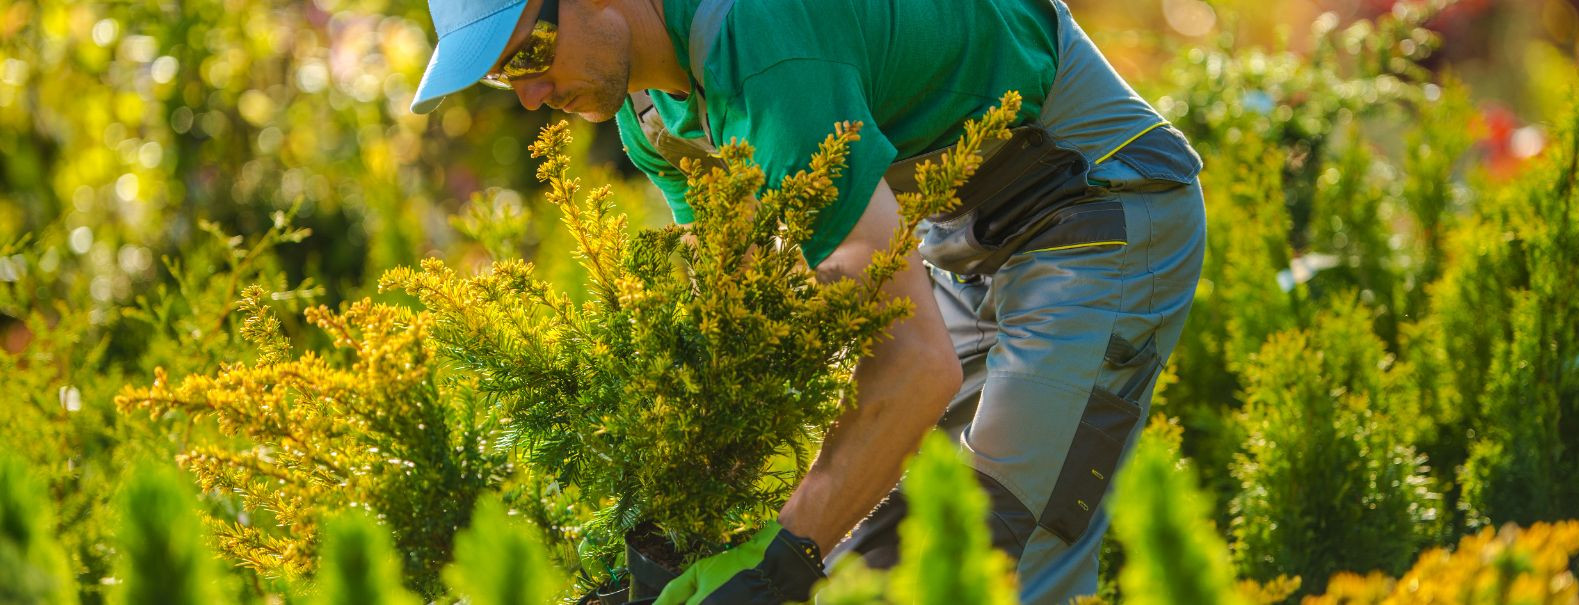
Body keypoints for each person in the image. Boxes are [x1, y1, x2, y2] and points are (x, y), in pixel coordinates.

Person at [409, 0, 1206, 602]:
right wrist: (674, 538)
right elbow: (744, 324)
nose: (529, 92)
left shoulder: (762, 41)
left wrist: (783, 559)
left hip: (1098, 201)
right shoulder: (654, 117)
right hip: (963, 240)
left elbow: (911, 366)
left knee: (991, 552)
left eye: (534, 51)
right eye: (503, 71)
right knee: (887, 564)